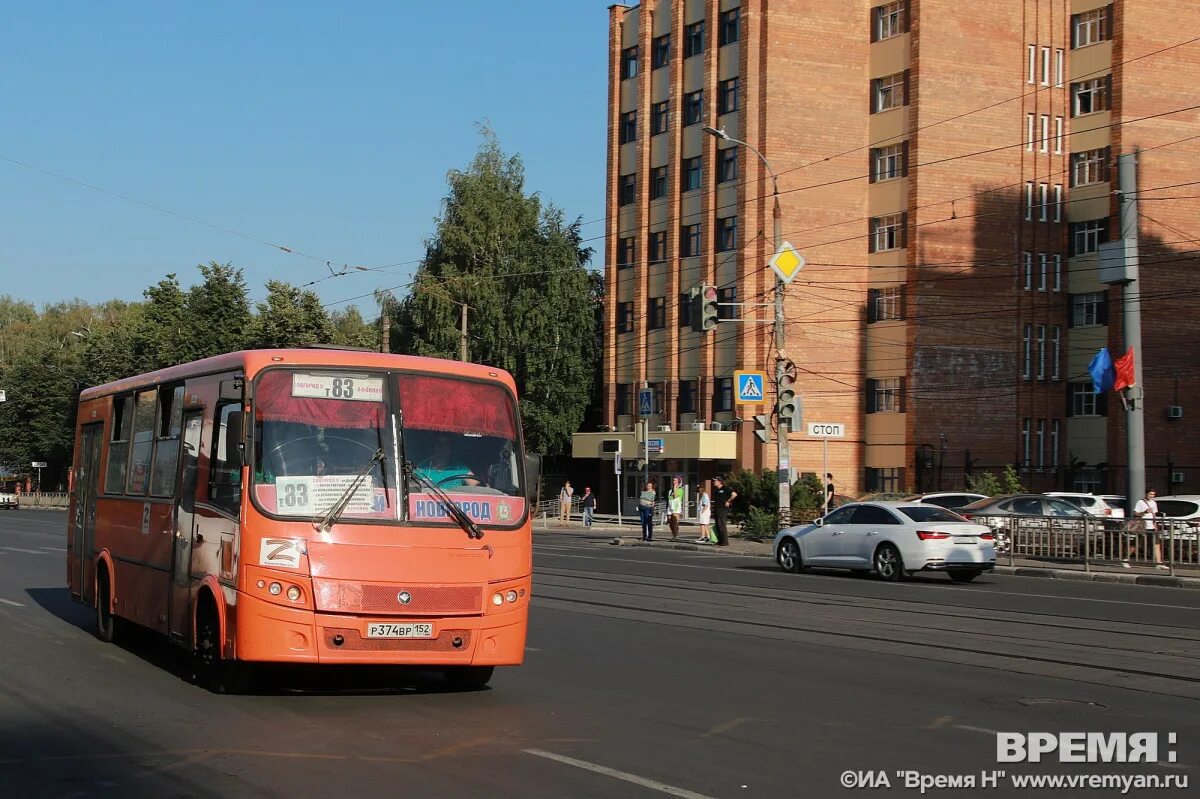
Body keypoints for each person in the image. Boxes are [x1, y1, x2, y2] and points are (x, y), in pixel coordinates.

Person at [1127, 488, 1168, 569]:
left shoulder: (1154, 503)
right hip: (1143, 526)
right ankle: (1125, 559)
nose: (1151, 496)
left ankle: (1159, 563)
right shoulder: (1140, 502)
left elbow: (1154, 514)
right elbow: (1136, 513)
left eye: (1153, 494)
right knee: (1136, 544)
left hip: (1151, 526)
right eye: (1150, 494)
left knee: (1157, 545)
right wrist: (1144, 512)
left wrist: (1155, 524)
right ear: (1146, 494)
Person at [711, 475, 737, 547]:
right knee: (718, 525)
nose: (714, 482)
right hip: (717, 509)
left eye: (715, 481)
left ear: (720, 481)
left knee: (721, 525)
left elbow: (734, 494)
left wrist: (728, 501)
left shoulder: (725, 488)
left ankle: (725, 542)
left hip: (722, 509)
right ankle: (720, 541)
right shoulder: (716, 490)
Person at [666, 476, 685, 541]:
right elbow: (669, 498)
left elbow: (675, 495)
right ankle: (673, 534)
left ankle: (675, 536)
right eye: (673, 480)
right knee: (670, 521)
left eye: (675, 480)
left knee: (675, 522)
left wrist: (675, 487)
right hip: (670, 506)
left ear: (678, 482)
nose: (674, 481)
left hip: (676, 507)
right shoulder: (670, 490)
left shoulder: (680, 490)